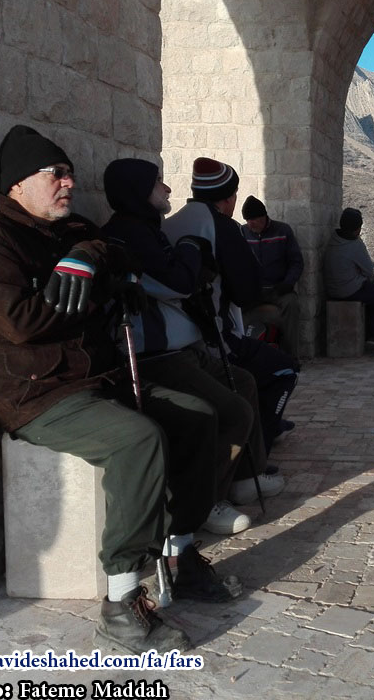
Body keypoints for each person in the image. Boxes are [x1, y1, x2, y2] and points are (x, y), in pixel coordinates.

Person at [0, 126, 239, 655]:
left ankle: (179, 550)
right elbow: (22, 323)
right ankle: (122, 602)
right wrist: (98, 288)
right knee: (138, 440)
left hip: (98, 378)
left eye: (69, 173)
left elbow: (118, 250)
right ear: (17, 183)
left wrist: (89, 255)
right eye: (56, 174)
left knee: (198, 416)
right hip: (38, 395)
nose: (68, 182)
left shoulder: (72, 228)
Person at [101, 159, 284, 528]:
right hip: (155, 354)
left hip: (180, 345)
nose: (168, 188)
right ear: (138, 191)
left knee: (244, 382)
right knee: (232, 410)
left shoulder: (150, 229)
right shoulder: (130, 235)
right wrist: (190, 248)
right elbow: (180, 282)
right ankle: (206, 504)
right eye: (158, 183)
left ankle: (244, 477)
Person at [164, 158, 300, 452]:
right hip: (213, 337)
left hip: (174, 336)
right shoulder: (224, 228)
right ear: (228, 197)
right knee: (284, 370)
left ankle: (267, 426)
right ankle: (260, 445)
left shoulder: (170, 224)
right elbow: (245, 292)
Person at [324, 207, 374, 355]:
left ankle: (373, 337)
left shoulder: (334, 239)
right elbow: (368, 269)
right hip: (350, 289)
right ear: (357, 229)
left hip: (334, 289)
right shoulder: (354, 244)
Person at [239, 195, 304, 358]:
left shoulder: (283, 231)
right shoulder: (242, 232)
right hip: (254, 291)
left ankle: (290, 357)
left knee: (292, 304)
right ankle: (242, 353)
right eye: (247, 220)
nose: (250, 224)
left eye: (253, 219)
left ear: (263, 217)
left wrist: (288, 283)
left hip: (278, 290)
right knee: (236, 308)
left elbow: (296, 262)